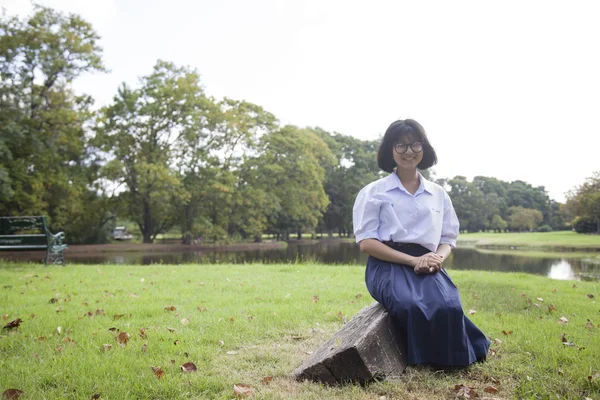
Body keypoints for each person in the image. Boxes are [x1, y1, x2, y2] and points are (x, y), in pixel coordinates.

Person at [352, 119, 489, 367]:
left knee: (449, 305)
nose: (408, 151)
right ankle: (423, 361)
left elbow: (448, 239)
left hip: (429, 262)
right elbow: (367, 244)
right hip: (388, 264)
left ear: (424, 148)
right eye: (400, 145)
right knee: (411, 305)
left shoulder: (438, 193)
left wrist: (436, 258)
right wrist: (413, 260)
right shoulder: (373, 192)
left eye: (415, 144)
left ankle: (459, 356)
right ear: (390, 151)